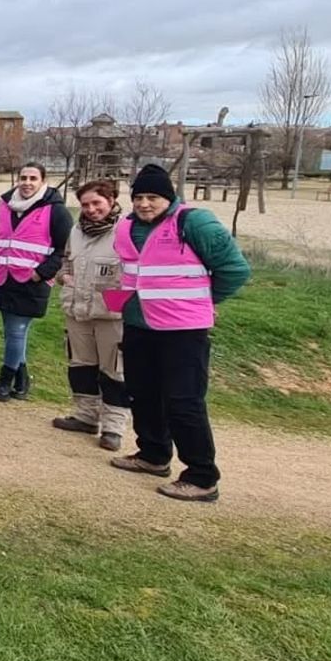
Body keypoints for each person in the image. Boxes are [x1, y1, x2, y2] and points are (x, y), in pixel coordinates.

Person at [108, 164, 251, 502]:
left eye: (153, 197)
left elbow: (235, 269)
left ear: (168, 198)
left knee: (183, 401)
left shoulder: (194, 223)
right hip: (139, 324)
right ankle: (153, 454)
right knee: (142, 392)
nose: (144, 204)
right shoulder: (126, 227)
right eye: (139, 197)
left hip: (183, 329)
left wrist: (200, 300)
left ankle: (202, 476)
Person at [0, 161, 71, 401]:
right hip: (2, 277)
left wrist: (41, 273)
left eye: (33, 178)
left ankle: (5, 378)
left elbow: (64, 249)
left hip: (31, 280)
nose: (27, 183)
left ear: (43, 181)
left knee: (17, 330)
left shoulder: (56, 211)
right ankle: (22, 377)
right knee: (12, 332)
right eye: (23, 178)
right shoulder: (4, 206)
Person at [53, 179, 129, 451]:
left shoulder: (126, 230)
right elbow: (66, 259)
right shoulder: (76, 230)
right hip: (78, 308)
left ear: (111, 200)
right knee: (81, 365)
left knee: (114, 371)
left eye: (97, 203)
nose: (91, 209)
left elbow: (134, 272)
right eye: (86, 204)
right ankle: (86, 415)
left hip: (111, 313)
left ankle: (113, 427)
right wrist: (63, 277)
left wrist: (117, 303)